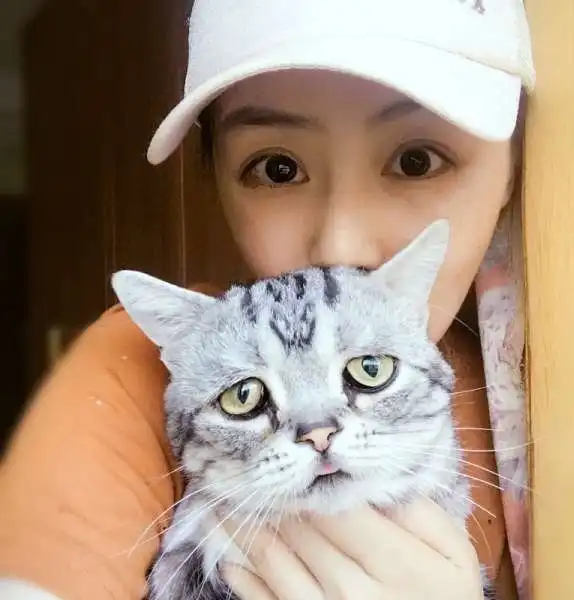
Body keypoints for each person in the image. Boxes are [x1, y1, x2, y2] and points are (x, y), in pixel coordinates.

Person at [0, 1, 535, 599]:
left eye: (416, 161)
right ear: (215, 182)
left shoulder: (545, 391)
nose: (340, 243)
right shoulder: (132, 372)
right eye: (278, 168)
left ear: (515, 170)